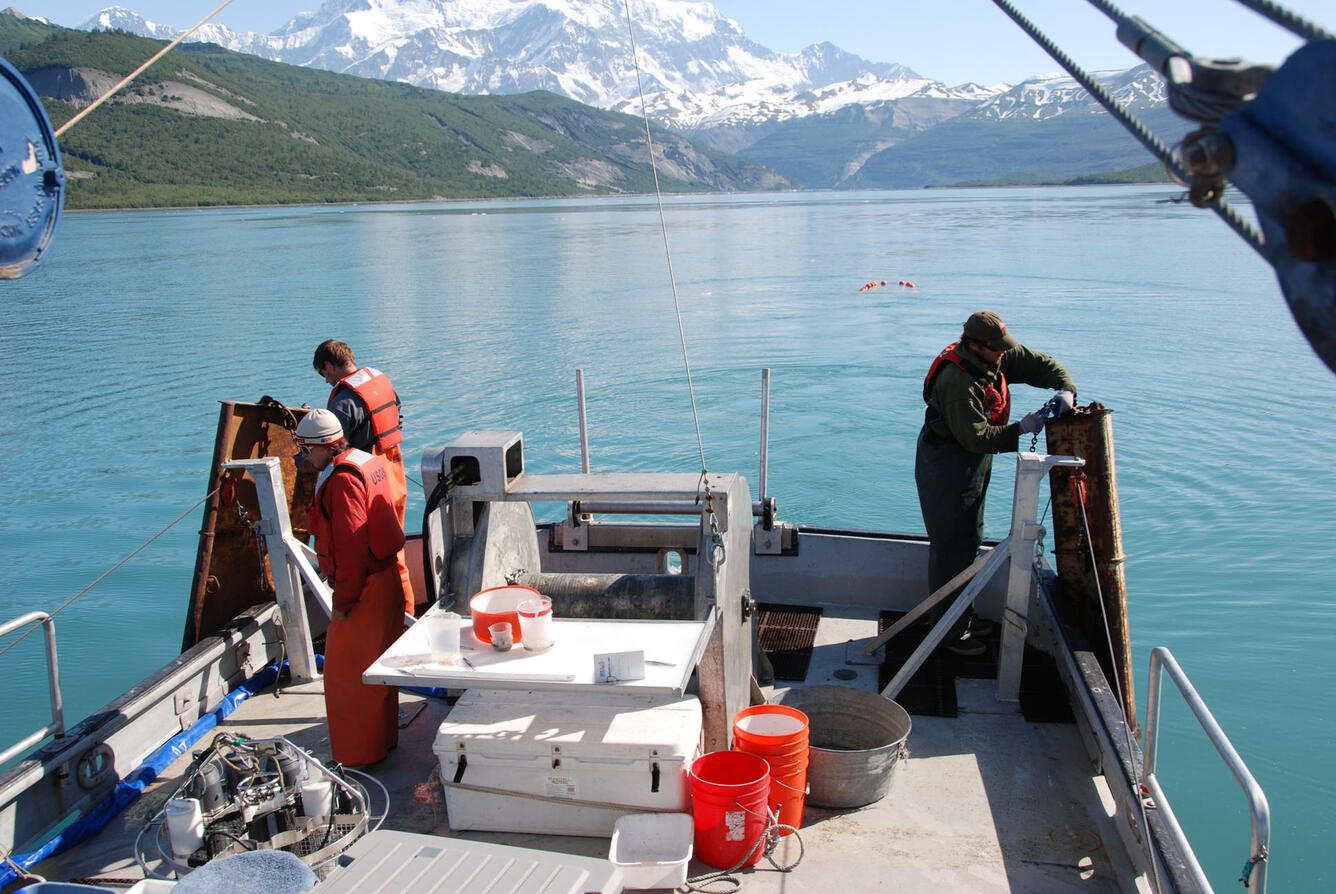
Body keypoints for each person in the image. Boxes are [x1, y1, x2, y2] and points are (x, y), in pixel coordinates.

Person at [915, 310, 1076, 656]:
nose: (1004, 354)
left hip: (972, 460)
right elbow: (976, 438)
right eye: (998, 349)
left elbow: (1040, 363)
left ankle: (961, 616)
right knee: (952, 546)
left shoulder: (994, 354)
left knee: (970, 537)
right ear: (976, 346)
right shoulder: (957, 382)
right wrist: (1021, 427)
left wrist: (1066, 389)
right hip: (947, 464)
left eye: (1005, 347)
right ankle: (948, 634)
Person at [296, 408, 407, 767]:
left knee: (347, 679)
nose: (303, 457)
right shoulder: (364, 460)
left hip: (366, 591)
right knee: (379, 675)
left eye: (305, 449)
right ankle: (383, 742)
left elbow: (351, 548)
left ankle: (359, 757)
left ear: (323, 447)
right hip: (387, 582)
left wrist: (343, 602)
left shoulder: (341, 481)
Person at [312, 339, 414, 616]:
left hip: (366, 480)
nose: (326, 381)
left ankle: (376, 618)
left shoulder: (344, 401)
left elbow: (333, 444)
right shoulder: (379, 380)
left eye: (324, 374)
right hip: (392, 468)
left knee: (371, 552)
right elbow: (397, 417)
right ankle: (406, 613)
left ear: (330, 365)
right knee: (395, 547)